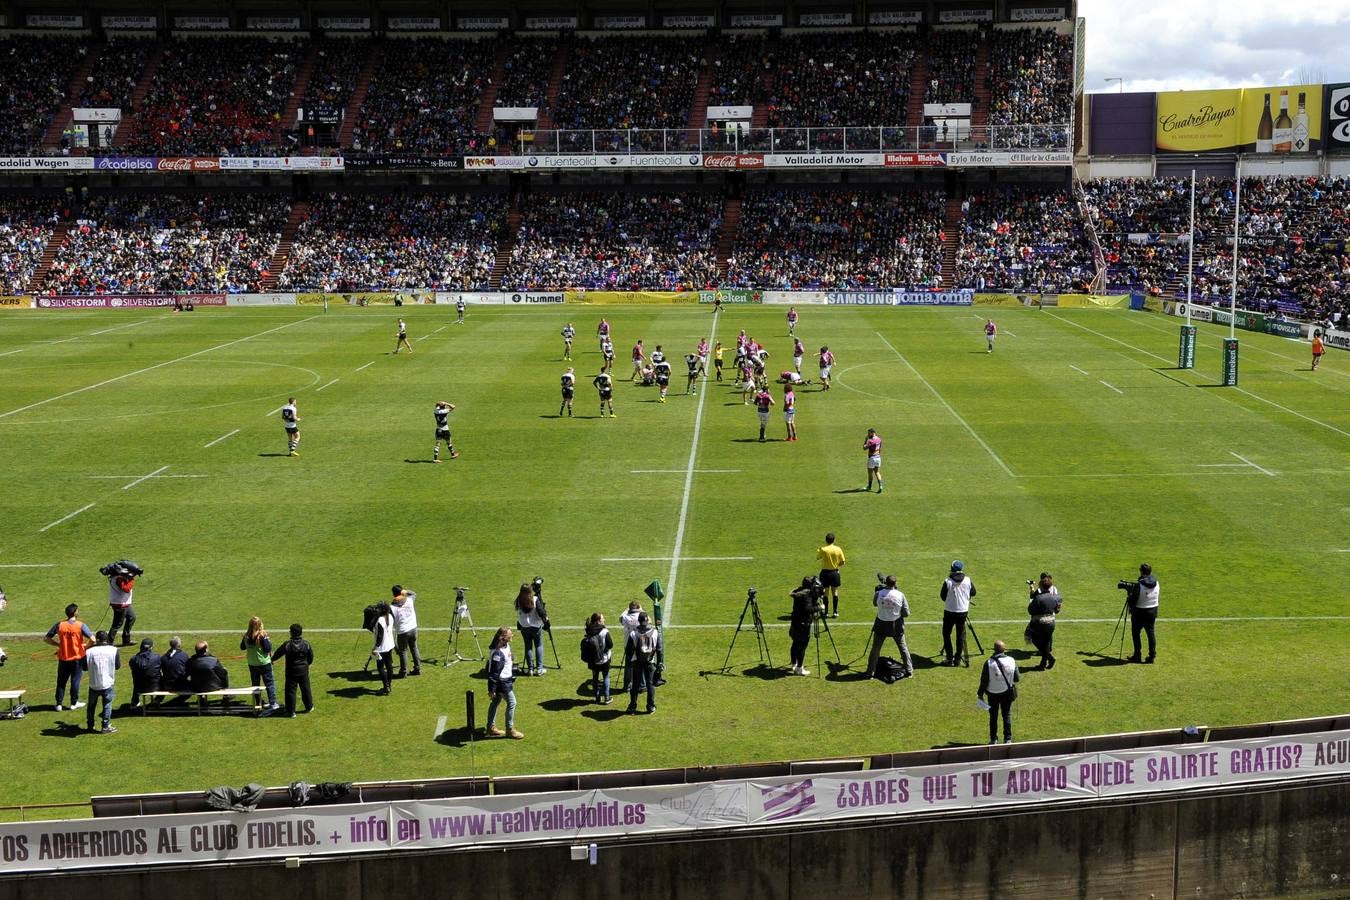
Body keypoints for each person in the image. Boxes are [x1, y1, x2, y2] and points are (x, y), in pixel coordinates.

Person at [44, 603, 91, 712]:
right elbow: (92, 638)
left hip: (63, 658)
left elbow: (46, 638)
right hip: (77, 658)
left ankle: (59, 704)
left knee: (61, 681)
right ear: (75, 613)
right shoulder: (80, 625)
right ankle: (73, 703)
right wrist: (86, 646)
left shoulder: (60, 625)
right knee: (75, 681)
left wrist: (58, 645)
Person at [866, 575, 913, 679]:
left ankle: (870, 672)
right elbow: (906, 613)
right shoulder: (900, 595)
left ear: (886, 583)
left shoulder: (878, 593)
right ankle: (909, 670)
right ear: (895, 584)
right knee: (903, 647)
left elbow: (874, 604)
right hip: (896, 625)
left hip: (881, 624)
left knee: (875, 649)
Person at [978, 640, 1019, 744]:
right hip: (1006, 693)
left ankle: (993, 739)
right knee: (1006, 715)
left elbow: (984, 681)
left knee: (993, 717)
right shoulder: (1012, 660)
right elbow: (1017, 678)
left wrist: (980, 694)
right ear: (1004, 649)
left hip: (992, 694)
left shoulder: (988, 662)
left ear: (994, 650)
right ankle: (1007, 739)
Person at [485, 627, 523, 739]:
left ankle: (490, 727)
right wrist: (491, 690)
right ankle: (510, 730)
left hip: (503, 680)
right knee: (512, 702)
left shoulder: (504, 646)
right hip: (502, 682)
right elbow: (494, 673)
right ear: (503, 637)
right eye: (510, 634)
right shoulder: (498, 653)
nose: (512, 636)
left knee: (495, 702)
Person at [272, 623, 315, 717]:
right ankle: (309, 707)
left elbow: (278, 654)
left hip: (291, 671)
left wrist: (272, 660)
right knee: (306, 688)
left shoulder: (287, 644)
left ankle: (291, 711)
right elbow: (311, 657)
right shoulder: (306, 644)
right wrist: (306, 664)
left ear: (291, 633)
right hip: (303, 670)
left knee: (290, 691)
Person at [940, 560, 977, 667]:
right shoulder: (968, 580)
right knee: (960, 636)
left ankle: (949, 658)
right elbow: (973, 592)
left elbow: (943, 597)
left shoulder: (947, 581)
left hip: (949, 612)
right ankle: (957, 659)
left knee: (946, 634)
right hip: (963, 612)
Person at [241, 616, 279, 714]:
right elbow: (267, 649)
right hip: (264, 663)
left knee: (255, 684)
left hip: (252, 663)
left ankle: (257, 703)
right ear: (259, 625)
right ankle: (273, 703)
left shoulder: (246, 636)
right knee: (269, 683)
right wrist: (267, 639)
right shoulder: (261, 636)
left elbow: (242, 647)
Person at [625, 612, 661, 714]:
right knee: (650, 685)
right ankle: (650, 706)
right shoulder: (655, 632)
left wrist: (632, 658)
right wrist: (659, 663)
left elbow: (628, 650)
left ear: (639, 621)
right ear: (647, 620)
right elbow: (659, 649)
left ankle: (632, 706)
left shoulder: (633, 633)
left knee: (635, 685)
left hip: (637, 662)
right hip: (650, 662)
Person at [84, 631, 120, 734]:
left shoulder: (89, 651)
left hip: (93, 684)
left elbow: (84, 667)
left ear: (97, 639)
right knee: (107, 705)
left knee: (91, 706)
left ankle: (90, 725)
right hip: (108, 683)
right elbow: (117, 666)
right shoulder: (114, 650)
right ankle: (105, 726)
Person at [1026, 573, 1062, 670]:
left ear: (1041, 586)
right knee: (1046, 642)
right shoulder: (1056, 596)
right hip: (1051, 623)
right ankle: (1043, 664)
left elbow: (1030, 611)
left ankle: (1050, 657)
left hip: (1040, 623)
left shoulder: (1038, 597)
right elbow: (1057, 610)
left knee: (1032, 637)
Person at [1127, 563, 1160, 664]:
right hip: (1153, 611)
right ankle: (1152, 655)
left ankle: (1137, 655)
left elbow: (1133, 600)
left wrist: (1129, 597)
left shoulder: (1139, 584)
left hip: (1140, 612)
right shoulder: (1157, 582)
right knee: (1151, 633)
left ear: (1141, 571)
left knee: (1136, 633)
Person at [187, 640, 230, 712]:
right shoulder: (213, 660)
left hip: (196, 687)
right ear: (206, 649)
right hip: (212, 687)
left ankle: (201, 698)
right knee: (224, 671)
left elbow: (186, 673)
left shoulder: (191, 661)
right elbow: (222, 674)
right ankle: (225, 696)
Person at [581, 612, 615, 704]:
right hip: (604, 659)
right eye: (602, 619)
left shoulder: (589, 630)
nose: (604, 620)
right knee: (606, 677)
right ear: (598, 621)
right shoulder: (604, 631)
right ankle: (607, 698)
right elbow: (610, 645)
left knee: (595, 678)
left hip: (593, 659)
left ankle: (596, 697)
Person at [787, 577, 818, 676]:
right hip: (803, 624)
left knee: (795, 643)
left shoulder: (798, 592)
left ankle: (794, 663)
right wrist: (819, 607)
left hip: (795, 621)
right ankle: (799, 668)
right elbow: (808, 609)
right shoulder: (807, 595)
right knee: (802, 646)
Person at [515, 583, 546, 676]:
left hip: (524, 626)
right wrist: (546, 621)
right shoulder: (535, 599)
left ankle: (530, 669)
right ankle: (539, 669)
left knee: (528, 646)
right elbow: (542, 613)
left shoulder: (518, 600)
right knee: (538, 645)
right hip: (536, 626)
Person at [390, 585, 421, 677]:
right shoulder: (410, 600)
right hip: (413, 629)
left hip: (402, 632)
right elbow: (413, 593)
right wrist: (405, 591)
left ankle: (403, 672)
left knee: (403, 651)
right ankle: (417, 668)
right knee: (414, 648)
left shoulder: (392, 607)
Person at [106, 565, 138, 646]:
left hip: (124, 603)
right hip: (120, 604)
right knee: (117, 624)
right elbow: (126, 589)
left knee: (132, 617)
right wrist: (132, 580)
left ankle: (126, 639)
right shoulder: (118, 579)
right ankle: (109, 642)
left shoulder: (117, 578)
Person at [816, 533, 846, 618]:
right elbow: (843, 561)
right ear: (834, 540)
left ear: (826, 540)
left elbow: (818, 557)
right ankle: (835, 612)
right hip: (834, 573)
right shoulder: (838, 549)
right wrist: (836, 566)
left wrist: (819, 551)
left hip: (825, 573)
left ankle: (826, 612)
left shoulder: (823, 549)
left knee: (826, 592)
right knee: (835, 592)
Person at [128, 637, 162, 709]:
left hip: (139, 688)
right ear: (151, 647)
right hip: (154, 687)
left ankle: (134, 701)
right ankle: (158, 699)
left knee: (138, 679)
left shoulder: (133, 659)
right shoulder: (157, 658)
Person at [370, 602, 395, 695]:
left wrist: (375, 648)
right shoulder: (390, 616)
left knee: (380, 667)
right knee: (389, 665)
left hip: (382, 647)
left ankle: (386, 687)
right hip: (390, 645)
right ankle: (389, 685)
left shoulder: (380, 620)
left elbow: (380, 636)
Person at [619, 600, 643, 691]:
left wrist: (626, 610)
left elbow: (620, 618)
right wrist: (642, 610)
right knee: (640, 665)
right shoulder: (641, 616)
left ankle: (627, 686)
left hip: (628, 645)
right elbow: (649, 620)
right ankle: (641, 685)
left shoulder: (625, 617)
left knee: (628, 666)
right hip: (639, 645)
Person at [160, 635, 190, 704]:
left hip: (166, 685)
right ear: (179, 645)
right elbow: (188, 670)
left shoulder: (163, 657)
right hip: (180, 685)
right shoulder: (184, 655)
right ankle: (172, 703)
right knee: (192, 689)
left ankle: (157, 700)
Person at [864, 428, 884, 493]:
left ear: (872, 433)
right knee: (877, 472)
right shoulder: (879, 439)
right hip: (878, 457)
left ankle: (869, 487)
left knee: (870, 473)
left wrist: (865, 440)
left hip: (872, 458)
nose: (868, 434)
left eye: (869, 433)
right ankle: (880, 486)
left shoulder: (871, 441)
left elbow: (864, 448)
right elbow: (880, 448)